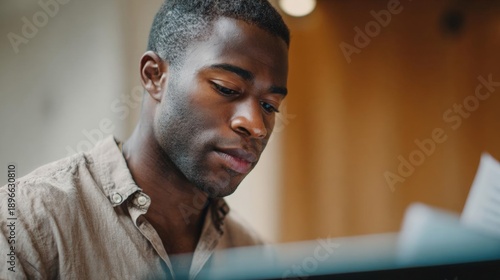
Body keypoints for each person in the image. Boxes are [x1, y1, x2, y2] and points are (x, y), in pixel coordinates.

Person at [0, 0, 290, 279]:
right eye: (226, 88)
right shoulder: (27, 220)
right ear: (154, 76)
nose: (256, 126)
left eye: (269, 106)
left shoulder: (253, 254)